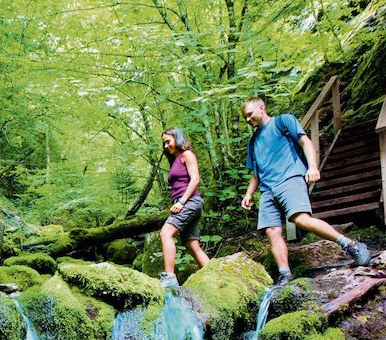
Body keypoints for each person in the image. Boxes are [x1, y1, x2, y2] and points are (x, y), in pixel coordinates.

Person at [241, 97, 370, 286]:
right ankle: (284, 274)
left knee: (300, 219)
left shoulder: (282, 122)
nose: (247, 119)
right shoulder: (253, 142)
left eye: (250, 114)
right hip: (267, 190)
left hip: (290, 178)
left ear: (262, 108)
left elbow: (305, 142)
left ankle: (351, 245)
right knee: (272, 231)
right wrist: (249, 194)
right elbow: (256, 173)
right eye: (245, 117)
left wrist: (312, 167)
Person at [158, 128, 209, 289]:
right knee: (191, 244)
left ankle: (170, 277)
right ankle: (214, 275)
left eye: (168, 141)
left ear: (177, 139)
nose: (166, 146)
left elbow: (195, 180)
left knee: (166, 233)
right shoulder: (175, 160)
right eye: (164, 143)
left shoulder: (187, 155)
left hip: (190, 202)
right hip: (187, 202)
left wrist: (181, 202)